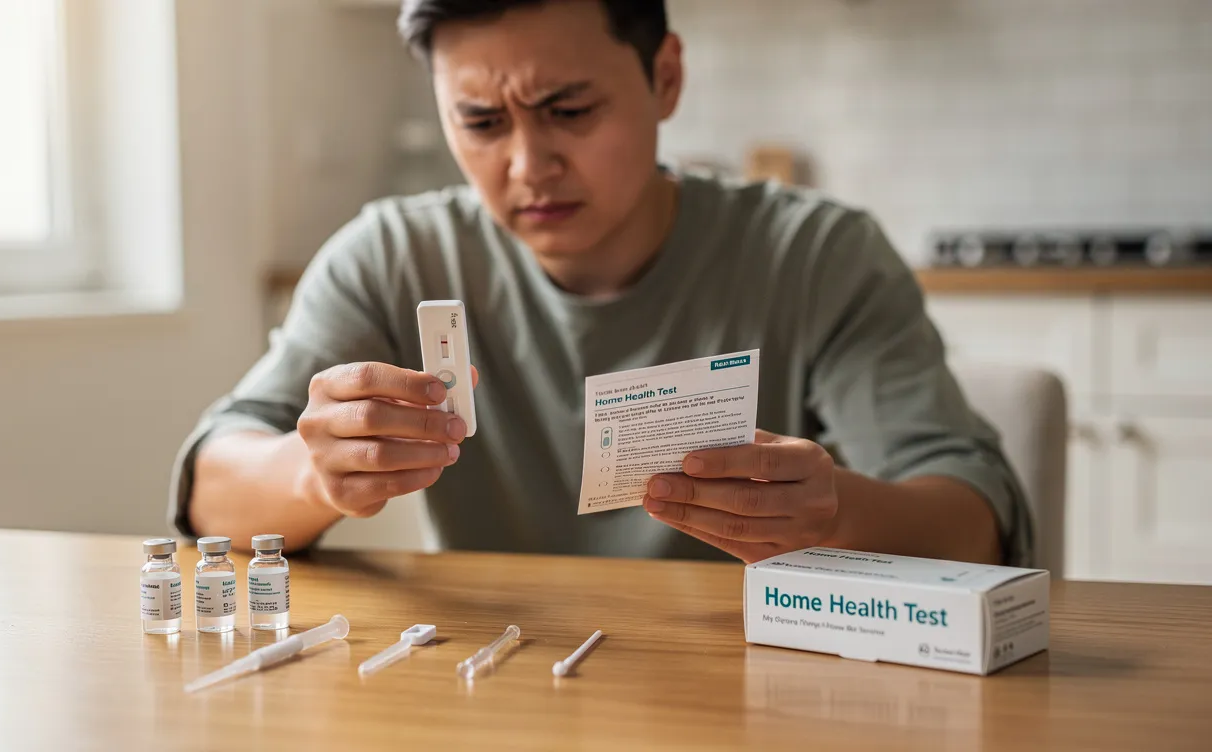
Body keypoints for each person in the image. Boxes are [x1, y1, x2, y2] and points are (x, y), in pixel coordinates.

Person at [169, 0, 1032, 567]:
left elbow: (978, 523)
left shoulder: (817, 256)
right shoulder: (394, 255)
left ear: (665, 78)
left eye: (570, 112)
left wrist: (834, 511)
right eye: (480, 121)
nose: (528, 164)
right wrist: (312, 473)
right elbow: (213, 493)